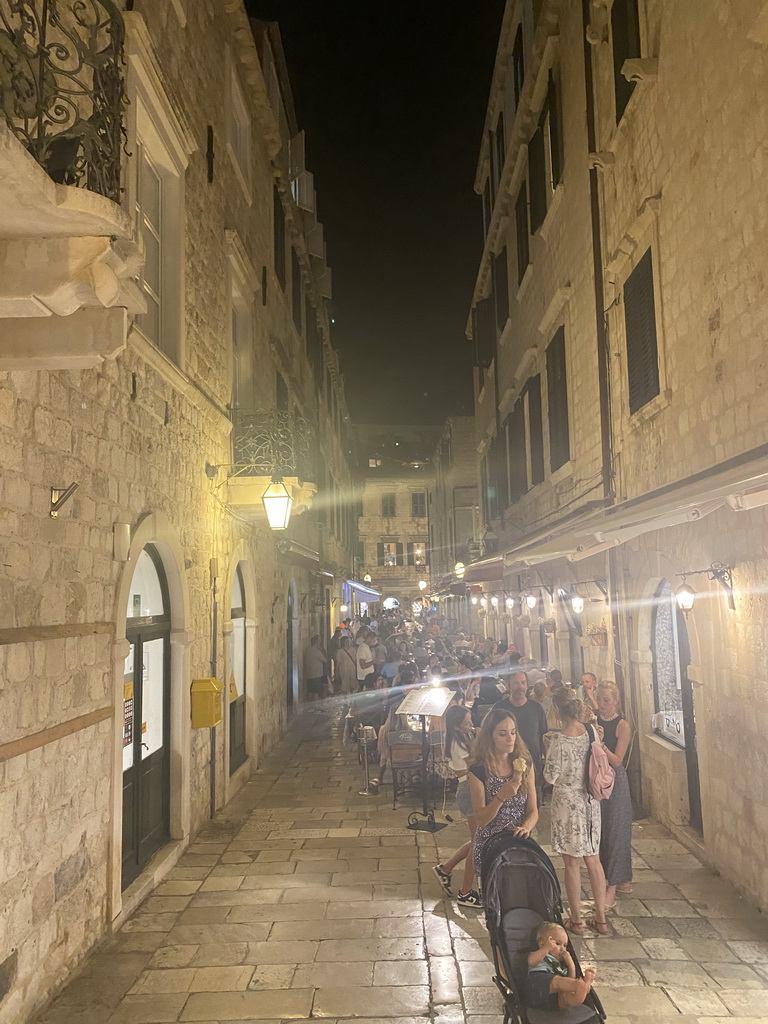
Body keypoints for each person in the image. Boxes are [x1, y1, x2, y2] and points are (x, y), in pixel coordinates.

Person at [544, 689, 609, 936]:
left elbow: (550, 776)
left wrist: (546, 746)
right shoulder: (591, 731)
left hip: (567, 803)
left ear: (559, 711)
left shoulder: (558, 740)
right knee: (593, 858)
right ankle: (601, 919)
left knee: (571, 862)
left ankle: (577, 921)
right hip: (590, 799)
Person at [468, 708, 538, 900]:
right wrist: (501, 796)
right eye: (502, 733)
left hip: (517, 843)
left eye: (513, 732)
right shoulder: (478, 771)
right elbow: (480, 819)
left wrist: (526, 827)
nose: (510, 738)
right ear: (490, 736)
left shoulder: (525, 764)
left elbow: (533, 811)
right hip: (490, 846)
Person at [433, 706, 479, 907]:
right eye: (467, 723)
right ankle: (465, 890)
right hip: (468, 790)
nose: (471, 725)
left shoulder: (465, 738)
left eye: (471, 721)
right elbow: (475, 763)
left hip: (472, 787)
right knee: (478, 841)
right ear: (457, 725)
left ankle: (446, 868)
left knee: (478, 839)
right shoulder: (456, 743)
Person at [596, 680, 633, 905]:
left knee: (617, 830)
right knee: (601, 831)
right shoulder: (593, 721)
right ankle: (612, 878)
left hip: (616, 781)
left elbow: (618, 761)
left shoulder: (623, 726)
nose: (601, 704)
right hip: (597, 780)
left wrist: (602, 745)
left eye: (606, 700)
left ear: (615, 701)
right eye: (599, 700)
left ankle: (616, 881)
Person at [493, 672, 548, 802]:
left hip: (532, 765)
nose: (520, 687)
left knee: (533, 806)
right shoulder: (499, 708)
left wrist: (546, 766)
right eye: (516, 683)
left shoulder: (536, 708)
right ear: (508, 685)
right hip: (505, 767)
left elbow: (543, 737)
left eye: (523, 683)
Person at [525, 922, 596, 1010]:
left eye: (565, 945)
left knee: (566, 994)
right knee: (556, 981)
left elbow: (570, 980)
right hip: (537, 988)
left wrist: (571, 966)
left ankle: (583, 987)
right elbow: (531, 962)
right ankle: (582, 985)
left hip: (553, 1001)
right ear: (542, 944)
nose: (562, 949)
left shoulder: (560, 965)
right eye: (558, 944)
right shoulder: (539, 954)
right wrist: (546, 949)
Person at [306, 635, 328, 702]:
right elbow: (324, 660)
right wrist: (321, 650)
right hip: (317, 674)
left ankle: (309, 705)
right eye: (319, 640)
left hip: (309, 674)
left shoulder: (308, 650)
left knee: (310, 690)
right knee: (316, 692)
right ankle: (315, 706)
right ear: (317, 642)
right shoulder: (317, 651)